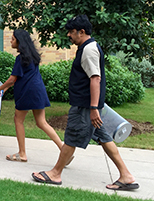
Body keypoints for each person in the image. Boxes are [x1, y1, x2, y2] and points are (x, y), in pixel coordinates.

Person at [32, 15, 139, 191]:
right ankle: (126, 175)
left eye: (71, 32)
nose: (68, 35)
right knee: (104, 138)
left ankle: (55, 173)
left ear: (81, 32)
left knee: (71, 138)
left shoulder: (89, 50)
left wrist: (93, 108)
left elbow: (95, 79)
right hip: (88, 105)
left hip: (84, 106)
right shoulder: (87, 47)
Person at [0, 29, 68, 163]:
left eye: (13, 39)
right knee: (41, 122)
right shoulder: (33, 56)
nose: (11, 41)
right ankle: (64, 150)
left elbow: (12, 79)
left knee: (18, 120)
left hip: (27, 92)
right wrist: (4, 89)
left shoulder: (20, 58)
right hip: (38, 90)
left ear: (19, 42)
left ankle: (22, 154)